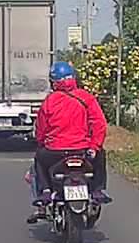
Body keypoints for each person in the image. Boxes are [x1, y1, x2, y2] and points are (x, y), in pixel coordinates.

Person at [29, 61, 112, 217]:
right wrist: (94, 146)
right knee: (100, 155)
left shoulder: (50, 101)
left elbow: (41, 129)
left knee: (39, 159)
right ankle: (98, 190)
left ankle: (45, 191)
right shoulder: (86, 98)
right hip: (82, 151)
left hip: (55, 152)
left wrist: (41, 142)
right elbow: (99, 124)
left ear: (53, 82)